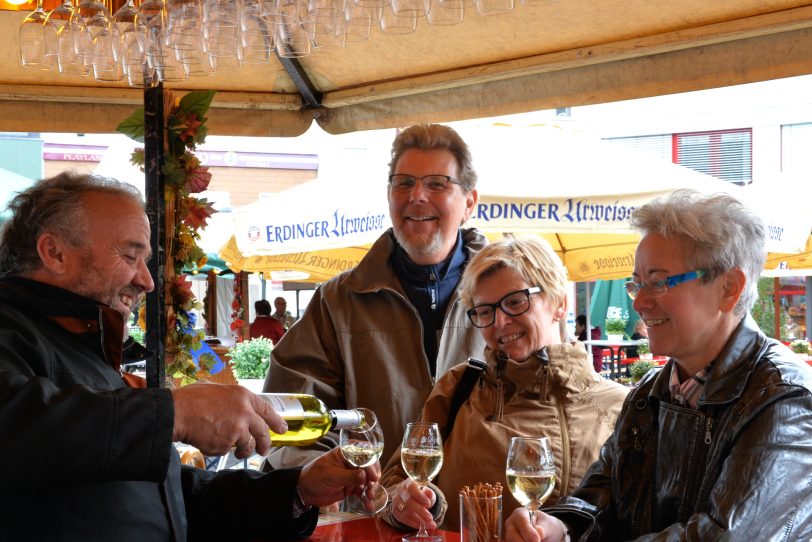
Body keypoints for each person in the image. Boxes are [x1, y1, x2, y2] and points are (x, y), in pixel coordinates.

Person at [0, 172, 381, 541]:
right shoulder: (13, 329)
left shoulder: (85, 346)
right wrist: (175, 412)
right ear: (54, 252)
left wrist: (297, 491)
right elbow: (18, 427)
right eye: (130, 257)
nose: (147, 281)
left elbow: (168, 498)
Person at [504, 190, 812, 542]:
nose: (641, 303)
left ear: (729, 288)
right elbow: (599, 499)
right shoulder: (650, 392)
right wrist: (559, 527)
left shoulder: (785, 399)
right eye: (637, 284)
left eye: (660, 282)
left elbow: (723, 537)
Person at [262, 123, 488, 470]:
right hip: (370, 514)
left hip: (482, 512)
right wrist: (340, 481)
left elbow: (551, 407)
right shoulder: (337, 303)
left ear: (469, 202)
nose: (417, 195)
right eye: (404, 183)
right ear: (389, 195)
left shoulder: (511, 298)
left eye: (436, 184)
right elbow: (287, 425)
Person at [380, 237, 628, 532]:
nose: (499, 322)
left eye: (515, 302)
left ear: (559, 304)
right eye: (485, 311)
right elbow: (393, 483)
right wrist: (410, 503)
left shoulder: (622, 407)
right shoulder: (460, 388)